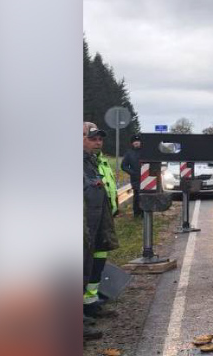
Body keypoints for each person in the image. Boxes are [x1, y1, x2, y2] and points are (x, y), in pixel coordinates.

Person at [83, 122, 117, 329]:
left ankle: (89, 304)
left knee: (95, 266)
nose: (98, 143)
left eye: (100, 139)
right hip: (86, 225)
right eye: (92, 138)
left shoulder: (95, 161)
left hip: (100, 223)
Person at [120, 134, 145, 217]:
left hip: (146, 178)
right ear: (132, 143)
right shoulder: (129, 153)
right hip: (135, 178)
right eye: (135, 142)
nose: (136, 143)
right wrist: (132, 172)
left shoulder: (145, 152)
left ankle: (144, 212)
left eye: (138, 141)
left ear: (141, 142)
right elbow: (123, 166)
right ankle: (137, 213)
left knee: (144, 195)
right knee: (137, 194)